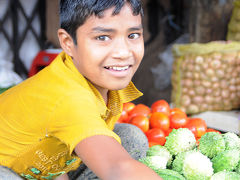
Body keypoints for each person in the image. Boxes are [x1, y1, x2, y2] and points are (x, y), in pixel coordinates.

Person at [0, 0, 163, 179]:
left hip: (33, 165)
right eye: (102, 37)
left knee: (130, 137)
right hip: (5, 168)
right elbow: (118, 168)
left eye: (133, 35)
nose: (123, 52)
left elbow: (54, 148)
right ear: (68, 42)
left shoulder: (101, 79)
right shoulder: (68, 97)